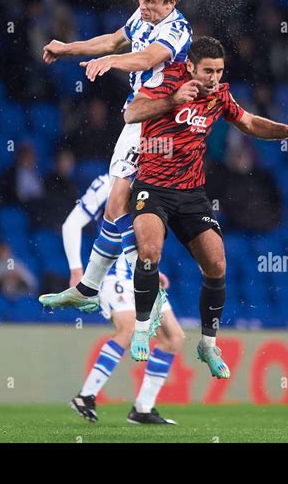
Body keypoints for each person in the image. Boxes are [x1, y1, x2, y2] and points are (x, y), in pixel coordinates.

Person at [123, 37, 288, 377]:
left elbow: (250, 123)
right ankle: (142, 328)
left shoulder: (219, 95)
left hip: (191, 194)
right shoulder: (166, 80)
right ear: (190, 67)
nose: (214, 77)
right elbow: (131, 113)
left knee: (216, 263)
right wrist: (172, 100)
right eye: (208, 71)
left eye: (219, 71)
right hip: (153, 186)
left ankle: (208, 345)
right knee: (150, 251)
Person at [39, 0, 192, 312]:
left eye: (152, 2)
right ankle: (90, 288)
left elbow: (147, 57)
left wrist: (112, 62)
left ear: (170, 3)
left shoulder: (177, 29)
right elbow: (111, 40)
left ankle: (143, 284)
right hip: (136, 117)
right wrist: (67, 48)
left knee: (134, 205)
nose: (144, 7)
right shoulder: (142, 18)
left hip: (162, 122)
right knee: (115, 203)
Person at [62, 173, 184, 424]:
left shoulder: (154, 181)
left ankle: (143, 408)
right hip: (113, 274)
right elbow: (71, 224)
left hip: (143, 273)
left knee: (173, 337)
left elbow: (143, 235)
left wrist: (153, 269)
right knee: (128, 328)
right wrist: (76, 270)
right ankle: (86, 396)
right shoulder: (107, 183)